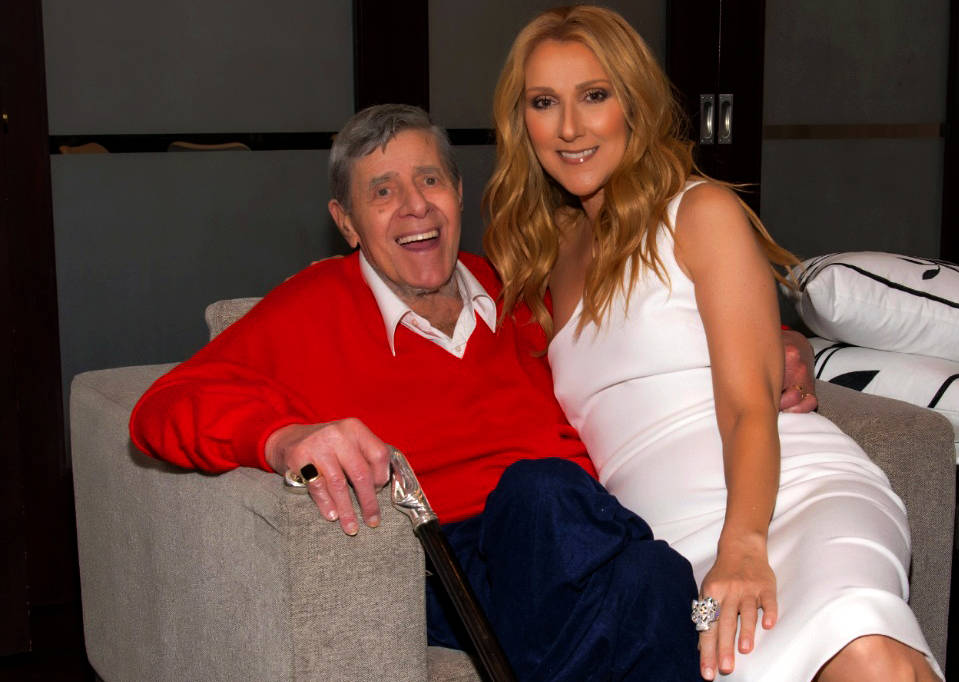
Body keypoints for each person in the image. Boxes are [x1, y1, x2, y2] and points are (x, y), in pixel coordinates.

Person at [130, 103, 703, 680]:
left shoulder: (522, 286)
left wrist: (762, 342)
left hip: (580, 532)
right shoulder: (309, 306)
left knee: (652, 574)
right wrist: (282, 438)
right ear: (347, 222)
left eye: (430, 180)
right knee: (548, 493)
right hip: (451, 561)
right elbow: (160, 409)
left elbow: (641, 335)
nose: (415, 205)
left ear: (456, 191)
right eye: (382, 191)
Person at [482, 6, 943, 682]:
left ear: (633, 103)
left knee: (869, 652)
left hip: (788, 505)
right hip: (677, 559)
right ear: (521, 121)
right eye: (544, 102)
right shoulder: (544, 263)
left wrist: (745, 547)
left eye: (595, 95)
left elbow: (746, 407)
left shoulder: (700, 213)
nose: (570, 127)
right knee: (737, 664)